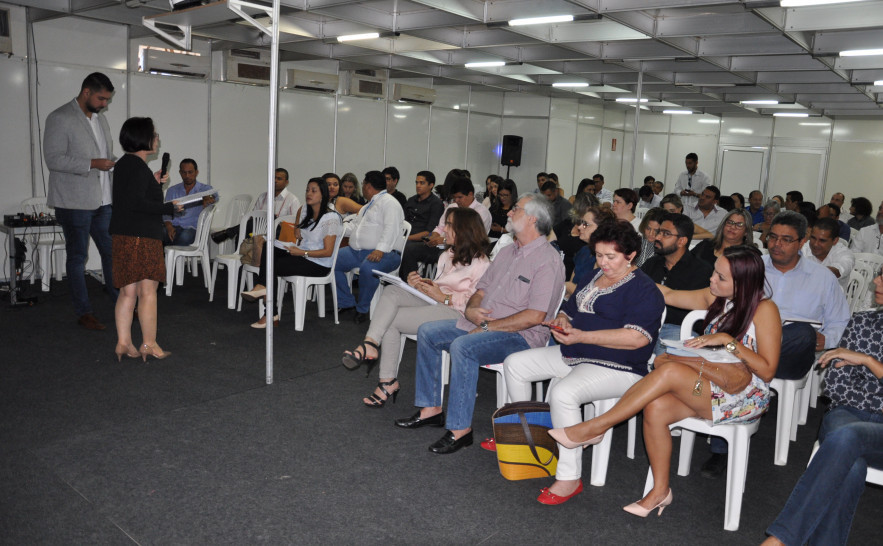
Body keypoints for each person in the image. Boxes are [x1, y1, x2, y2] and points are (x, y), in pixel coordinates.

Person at [549, 245, 781, 517]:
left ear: (742, 283)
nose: (711, 280)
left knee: (669, 371)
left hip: (744, 397)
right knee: (656, 406)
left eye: (720, 277)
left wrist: (729, 343)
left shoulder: (765, 310)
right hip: (705, 384)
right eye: (714, 273)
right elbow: (668, 294)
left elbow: (767, 372)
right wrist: (626, 272)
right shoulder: (716, 297)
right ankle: (660, 491)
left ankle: (595, 427)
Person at [501, 220, 665, 504]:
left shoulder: (645, 289)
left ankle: (569, 477)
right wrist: (563, 322)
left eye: (610, 256)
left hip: (620, 366)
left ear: (631, 255)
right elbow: (569, 309)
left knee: (564, 393)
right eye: (599, 255)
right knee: (515, 364)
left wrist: (582, 336)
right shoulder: (592, 276)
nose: (603, 262)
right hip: (578, 353)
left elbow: (637, 339)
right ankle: (531, 439)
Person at [394, 193, 565, 454]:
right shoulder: (509, 251)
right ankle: (431, 409)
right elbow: (481, 290)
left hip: (520, 336)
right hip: (484, 324)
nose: (508, 212)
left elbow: (535, 317)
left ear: (532, 218)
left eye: (515, 209)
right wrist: (472, 309)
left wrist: (485, 326)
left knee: (464, 346)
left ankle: (460, 430)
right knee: (428, 332)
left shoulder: (548, 260)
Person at [702, 210, 850, 478]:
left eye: (786, 239)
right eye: (772, 237)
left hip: (793, 352)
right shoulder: (753, 267)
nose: (776, 245)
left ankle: (745, 371)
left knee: (801, 332)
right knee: (739, 354)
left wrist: (825, 339)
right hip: (748, 349)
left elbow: (841, 323)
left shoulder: (822, 277)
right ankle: (721, 450)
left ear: (802, 242)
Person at [763, 271, 883, 546]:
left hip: (858, 427)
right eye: (878, 275)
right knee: (850, 461)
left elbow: (853, 377)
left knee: (847, 438)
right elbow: (836, 385)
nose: (876, 281)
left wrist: (867, 361)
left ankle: (779, 539)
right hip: (846, 414)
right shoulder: (864, 322)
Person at [341, 208, 491, 407]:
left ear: (462, 229)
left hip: (456, 312)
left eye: (448, 225)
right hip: (435, 300)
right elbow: (441, 283)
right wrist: (420, 284)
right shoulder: (448, 255)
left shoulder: (482, 263)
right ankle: (371, 342)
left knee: (390, 320)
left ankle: (387, 381)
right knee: (391, 291)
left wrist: (444, 297)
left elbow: (474, 302)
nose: (443, 229)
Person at [44, 72, 118, 330]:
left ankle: (121, 302)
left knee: (111, 252)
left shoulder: (101, 121)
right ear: (86, 92)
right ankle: (84, 311)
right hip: (74, 202)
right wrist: (91, 164)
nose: (104, 104)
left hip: (103, 201)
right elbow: (53, 159)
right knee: (77, 257)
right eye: (101, 98)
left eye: (107, 100)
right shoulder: (60, 117)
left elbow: (107, 156)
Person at [109, 117, 180, 361]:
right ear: (143, 137)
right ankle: (149, 344)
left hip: (124, 235)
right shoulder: (137, 167)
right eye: (155, 134)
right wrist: (169, 208)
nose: (157, 138)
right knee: (148, 291)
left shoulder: (125, 164)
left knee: (128, 292)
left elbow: (131, 199)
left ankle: (123, 343)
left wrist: (153, 181)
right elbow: (138, 204)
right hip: (142, 237)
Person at [241, 177, 342, 328]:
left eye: (314, 191)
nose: (309, 193)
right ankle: (265, 294)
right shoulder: (307, 212)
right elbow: (298, 233)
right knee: (270, 248)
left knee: (272, 265)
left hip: (318, 263)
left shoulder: (331, 218)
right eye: (307, 190)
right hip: (303, 255)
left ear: (323, 194)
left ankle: (270, 310)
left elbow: (328, 252)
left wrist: (302, 253)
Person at [334, 171, 405, 324]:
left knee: (368, 269)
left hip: (387, 253)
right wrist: (334, 229)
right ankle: (346, 301)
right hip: (357, 252)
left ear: (368, 186)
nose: (363, 187)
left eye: (363, 184)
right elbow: (355, 227)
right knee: (333, 261)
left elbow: (391, 229)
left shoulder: (389, 203)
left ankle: (362, 309)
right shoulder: (368, 205)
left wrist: (380, 249)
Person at [641, 212, 714, 354]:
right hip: (645, 325)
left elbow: (698, 315)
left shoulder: (701, 270)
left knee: (668, 363)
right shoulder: (652, 263)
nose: (657, 237)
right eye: (658, 232)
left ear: (682, 241)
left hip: (678, 329)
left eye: (665, 234)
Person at [399, 175, 491, 279]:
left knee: (444, 257)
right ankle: (409, 282)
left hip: (465, 252)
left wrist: (443, 239)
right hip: (441, 246)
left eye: (460, 197)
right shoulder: (452, 207)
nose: (457, 200)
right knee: (409, 248)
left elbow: (471, 237)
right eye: (454, 197)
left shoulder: (481, 212)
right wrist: (433, 237)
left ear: (470, 194)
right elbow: (440, 227)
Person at [162, 158, 218, 246]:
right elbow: (166, 213)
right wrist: (169, 226)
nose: (187, 175)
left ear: (196, 172)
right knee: (159, 233)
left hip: (193, 228)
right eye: (184, 172)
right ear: (180, 173)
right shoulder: (172, 190)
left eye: (190, 172)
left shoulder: (204, 189)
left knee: (184, 237)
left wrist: (208, 197)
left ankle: (172, 257)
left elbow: (214, 195)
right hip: (174, 226)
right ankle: (166, 257)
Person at [566, 205, 614, 296]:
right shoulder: (584, 250)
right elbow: (573, 281)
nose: (579, 227)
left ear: (601, 229)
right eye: (581, 223)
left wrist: (568, 287)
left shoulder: (606, 259)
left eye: (586, 224)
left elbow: (594, 296)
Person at [802, 217, 855, 292]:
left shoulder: (844, 254)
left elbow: (840, 269)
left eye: (822, 240)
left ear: (835, 241)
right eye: (813, 238)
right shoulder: (804, 248)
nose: (815, 244)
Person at [691, 209, 755, 267]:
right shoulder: (706, 244)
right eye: (730, 222)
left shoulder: (749, 256)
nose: (732, 227)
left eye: (739, 224)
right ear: (723, 225)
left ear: (746, 231)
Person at [401, 171, 444, 252]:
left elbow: (429, 232)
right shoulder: (411, 200)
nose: (418, 186)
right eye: (417, 183)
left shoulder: (436, 204)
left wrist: (405, 238)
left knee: (405, 247)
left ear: (431, 185)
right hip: (404, 235)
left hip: (420, 241)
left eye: (422, 183)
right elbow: (402, 221)